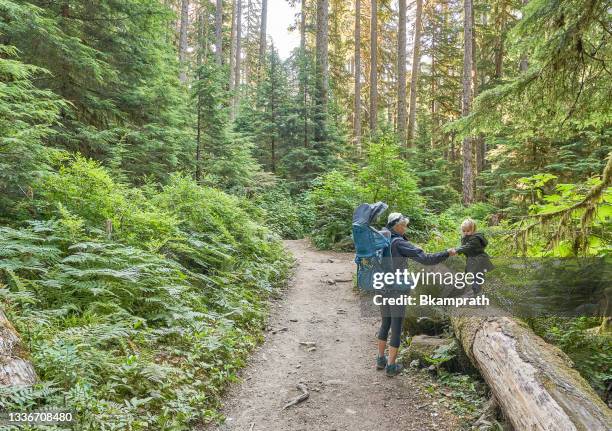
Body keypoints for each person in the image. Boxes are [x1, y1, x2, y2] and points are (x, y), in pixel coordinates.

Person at [376, 212, 456, 377]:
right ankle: (391, 367)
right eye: (404, 225)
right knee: (396, 326)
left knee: (385, 323)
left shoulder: (382, 238)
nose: (405, 228)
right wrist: (447, 253)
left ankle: (380, 359)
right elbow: (426, 259)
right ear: (397, 226)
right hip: (396, 289)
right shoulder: (399, 242)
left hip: (382, 286)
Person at [455, 218, 494, 295]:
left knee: (477, 276)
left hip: (478, 259)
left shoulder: (475, 239)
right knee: (475, 275)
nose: (466, 233)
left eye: (468, 231)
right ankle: (477, 290)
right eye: (464, 231)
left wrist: (457, 250)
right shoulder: (467, 237)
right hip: (473, 259)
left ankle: (477, 292)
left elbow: (468, 247)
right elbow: (465, 247)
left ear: (473, 230)